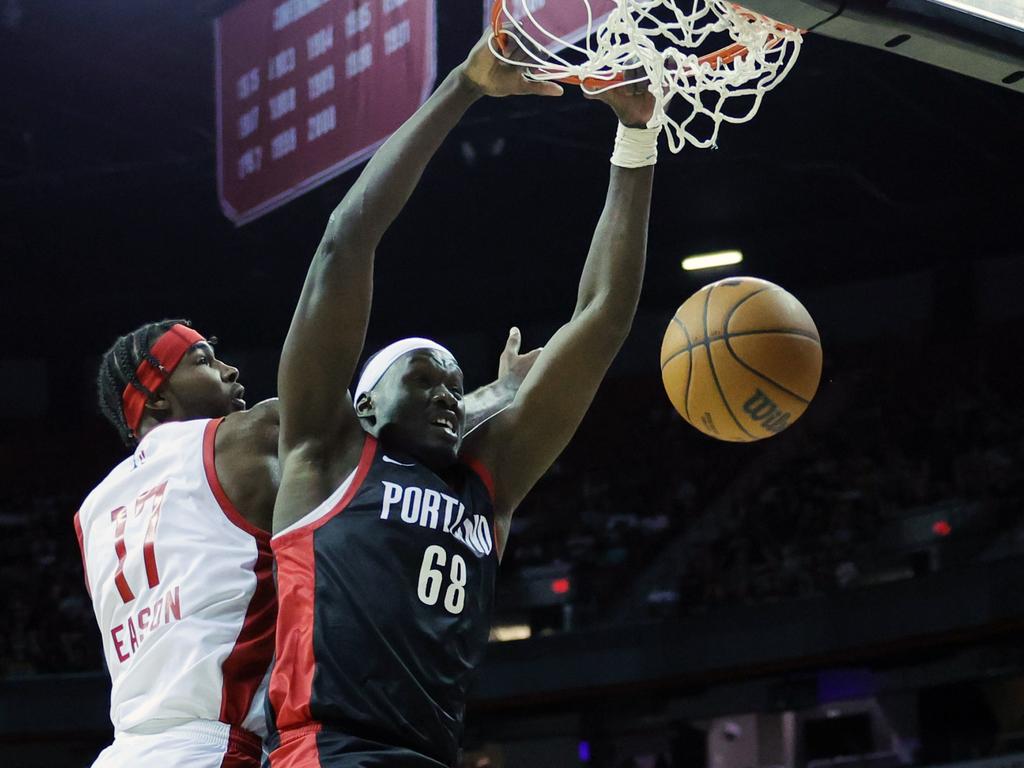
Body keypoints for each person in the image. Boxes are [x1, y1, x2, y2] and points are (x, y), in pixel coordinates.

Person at [269, 31, 657, 768]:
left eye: (455, 383)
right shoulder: (323, 453)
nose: (447, 391)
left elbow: (604, 315)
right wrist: (463, 87)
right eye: (423, 378)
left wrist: (635, 135)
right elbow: (344, 241)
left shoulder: (490, 480)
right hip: (327, 750)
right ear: (366, 407)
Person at [74, 317, 536, 761]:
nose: (228, 369)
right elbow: (388, 432)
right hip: (221, 747)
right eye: (203, 361)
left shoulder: (91, 511)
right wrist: (502, 392)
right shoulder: (248, 437)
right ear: (154, 397)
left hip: (127, 747)